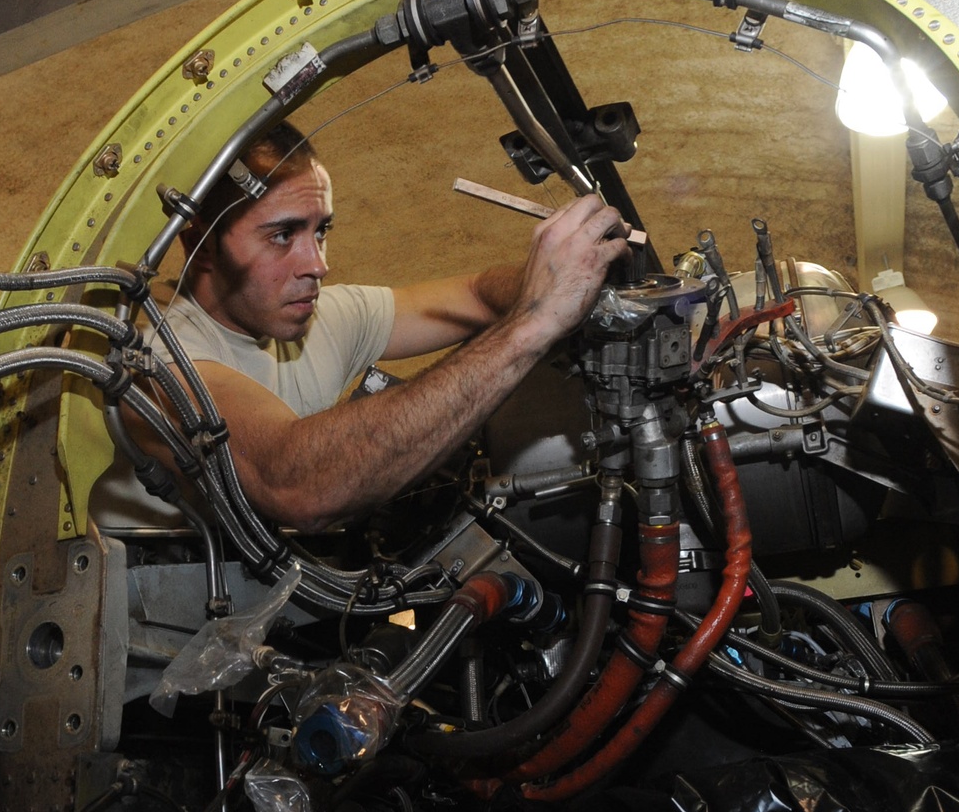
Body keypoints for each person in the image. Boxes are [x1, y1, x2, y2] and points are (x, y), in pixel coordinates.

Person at [144, 120, 629, 531]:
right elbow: (295, 483)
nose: (317, 265)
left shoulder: (314, 318)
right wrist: (534, 322)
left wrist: (569, 281)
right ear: (201, 246)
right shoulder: (158, 358)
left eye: (321, 231)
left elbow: (478, 293)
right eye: (282, 235)